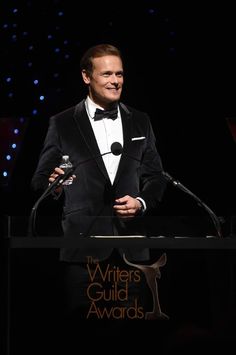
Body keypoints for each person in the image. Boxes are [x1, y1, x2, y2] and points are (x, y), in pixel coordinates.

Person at [31, 44, 167, 328]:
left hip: (132, 256)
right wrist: (54, 185)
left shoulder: (140, 121)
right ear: (86, 76)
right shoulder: (63, 123)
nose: (115, 81)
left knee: (133, 336)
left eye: (119, 74)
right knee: (82, 335)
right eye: (106, 74)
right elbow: (39, 181)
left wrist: (141, 203)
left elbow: (156, 177)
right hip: (82, 253)